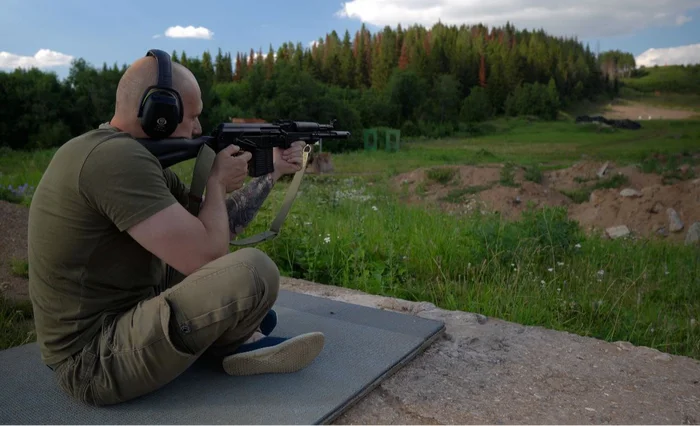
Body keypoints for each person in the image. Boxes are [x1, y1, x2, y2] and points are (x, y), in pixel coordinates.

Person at [27, 50, 325, 407]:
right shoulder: (116, 160)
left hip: (121, 322)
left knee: (240, 283)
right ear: (161, 114)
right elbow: (206, 256)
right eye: (193, 117)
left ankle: (229, 336)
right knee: (254, 271)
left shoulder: (124, 155)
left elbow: (212, 227)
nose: (198, 128)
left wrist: (273, 170)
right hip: (92, 363)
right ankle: (233, 338)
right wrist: (215, 183)